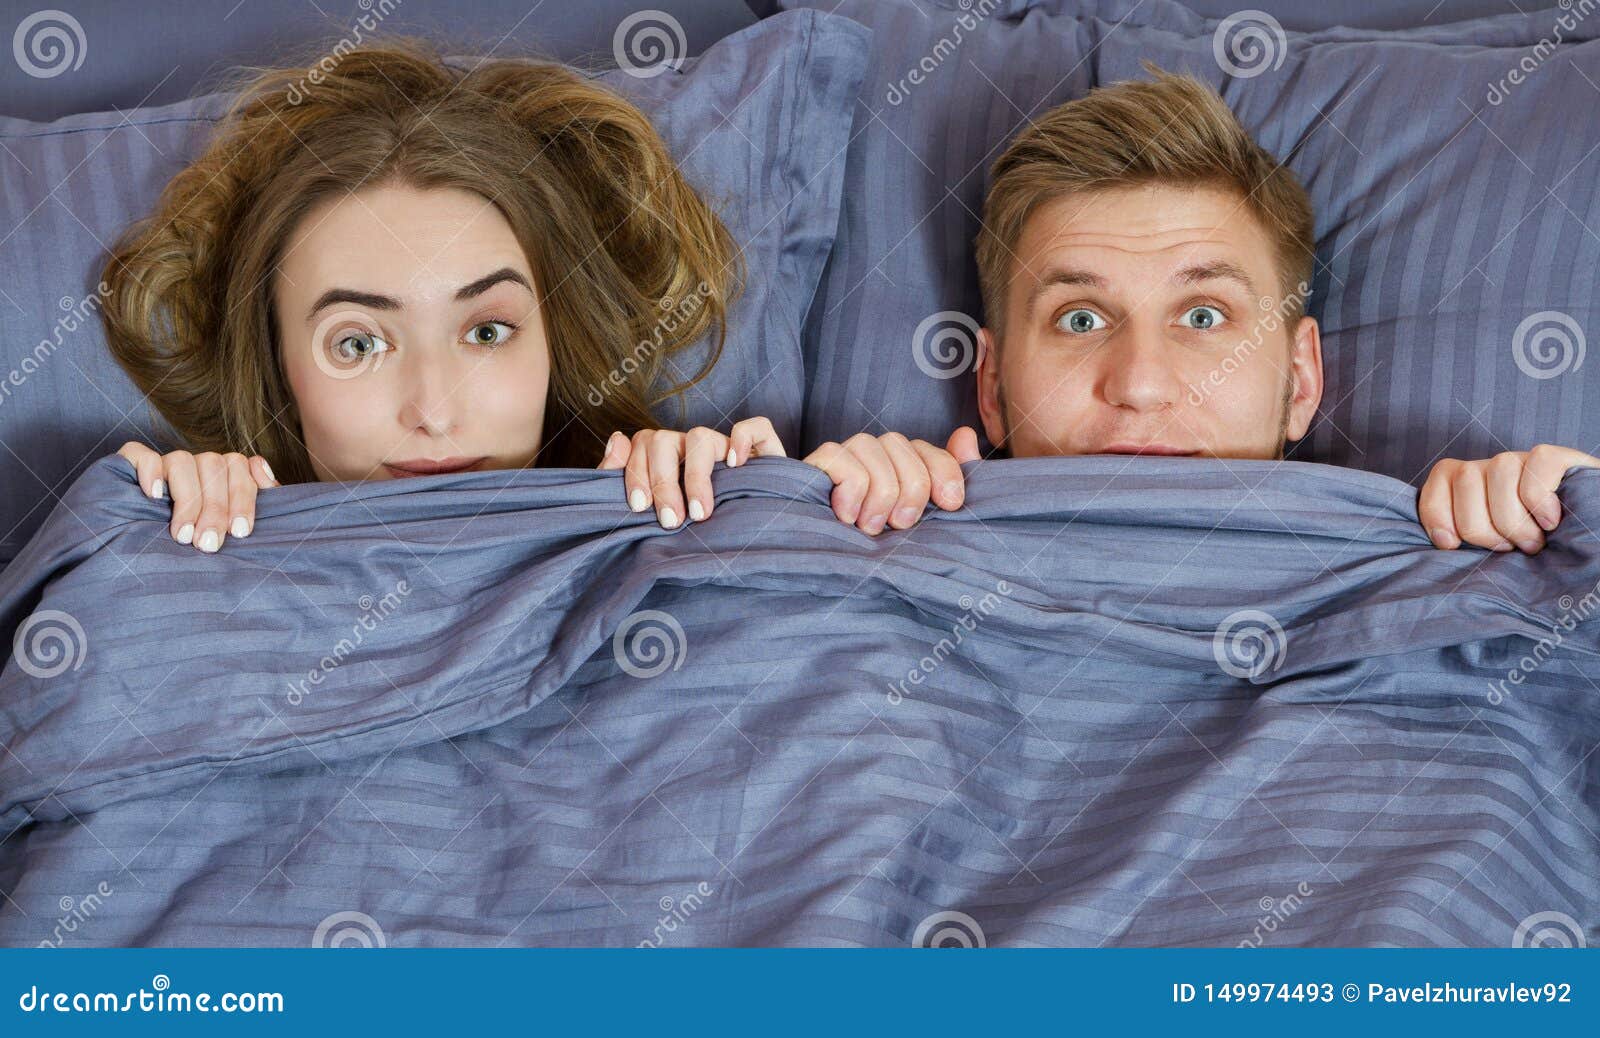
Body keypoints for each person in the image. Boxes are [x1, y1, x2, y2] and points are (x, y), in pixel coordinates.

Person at [802, 66, 1597, 554]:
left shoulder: (1447, 559)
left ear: (1301, 379)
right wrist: (803, 518)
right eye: (1080, 319)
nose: (1141, 386)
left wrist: (1577, 519)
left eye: (1204, 317)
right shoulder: (878, 542)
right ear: (990, 389)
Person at [105, 39, 784, 553]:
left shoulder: (689, 507)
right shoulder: (169, 532)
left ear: (560, 338)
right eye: (358, 343)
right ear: (274, 364)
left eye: (486, 332)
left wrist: (808, 510)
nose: (431, 412)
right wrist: (144, 527)